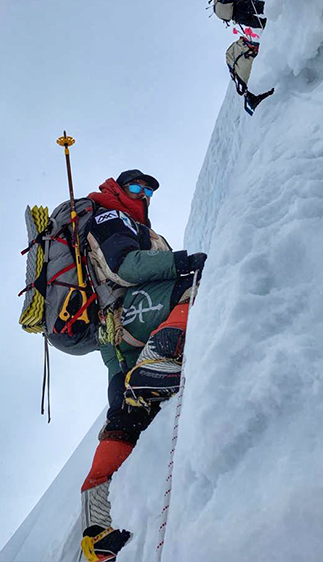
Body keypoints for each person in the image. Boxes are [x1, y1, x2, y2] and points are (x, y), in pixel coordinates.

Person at [77, 169, 207, 562]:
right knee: (195, 284)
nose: (144, 194)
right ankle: (159, 358)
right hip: (131, 315)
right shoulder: (109, 216)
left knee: (126, 417)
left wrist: (119, 375)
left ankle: (95, 532)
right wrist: (180, 261)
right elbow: (126, 268)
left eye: (149, 189)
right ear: (117, 187)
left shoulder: (130, 223)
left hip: (115, 334)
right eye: (136, 186)